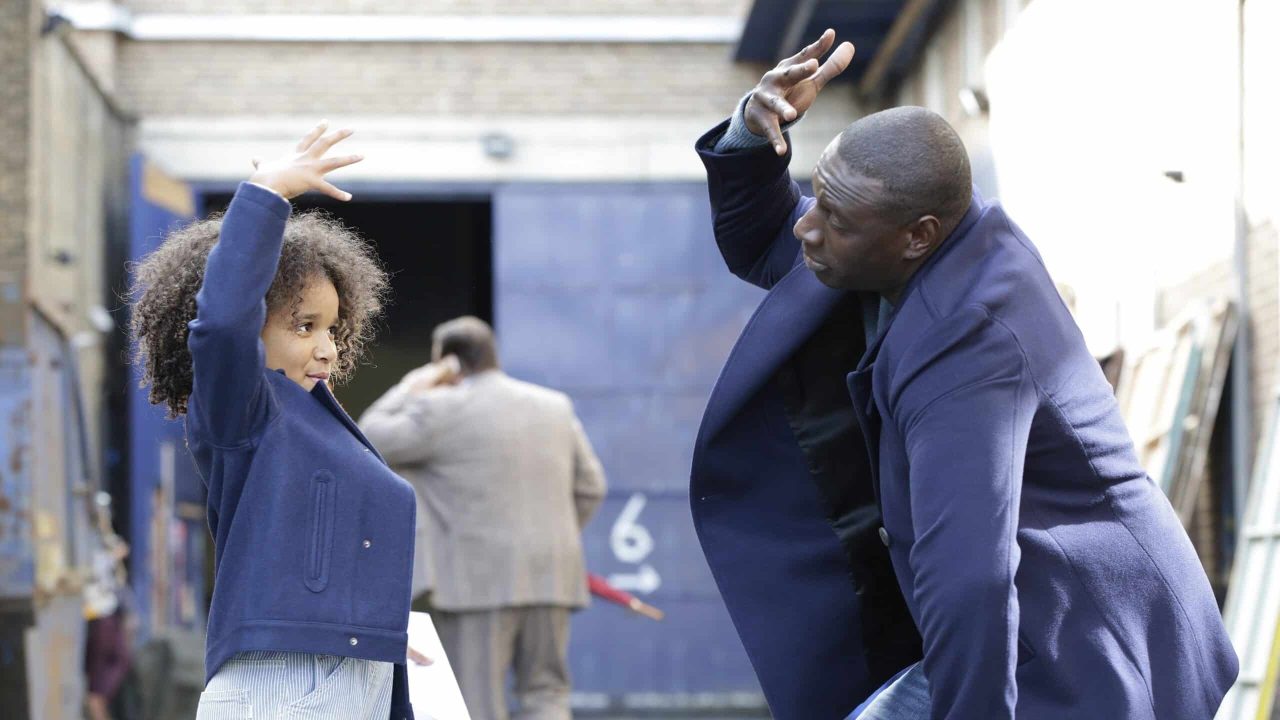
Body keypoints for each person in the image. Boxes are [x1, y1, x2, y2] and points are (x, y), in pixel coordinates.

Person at [689, 29, 1238, 719]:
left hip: (1088, 644)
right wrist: (753, 132)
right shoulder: (900, 245)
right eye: (817, 200)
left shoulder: (971, 342)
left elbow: (971, 579)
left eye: (834, 217)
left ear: (916, 235)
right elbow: (768, 242)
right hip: (1019, 623)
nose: (808, 228)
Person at [129, 122, 418, 720]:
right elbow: (221, 324)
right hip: (285, 687)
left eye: (333, 329)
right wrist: (266, 195)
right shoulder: (246, 414)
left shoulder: (320, 422)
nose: (328, 349)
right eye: (304, 326)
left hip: (349, 682)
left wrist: (372, 638)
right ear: (252, 331)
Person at [359, 316, 607, 720]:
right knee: (547, 694)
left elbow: (370, 435)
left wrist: (413, 385)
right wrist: (555, 536)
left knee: (477, 701)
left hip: (476, 581)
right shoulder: (555, 406)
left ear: (448, 362)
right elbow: (591, 486)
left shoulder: (440, 409)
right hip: (553, 573)